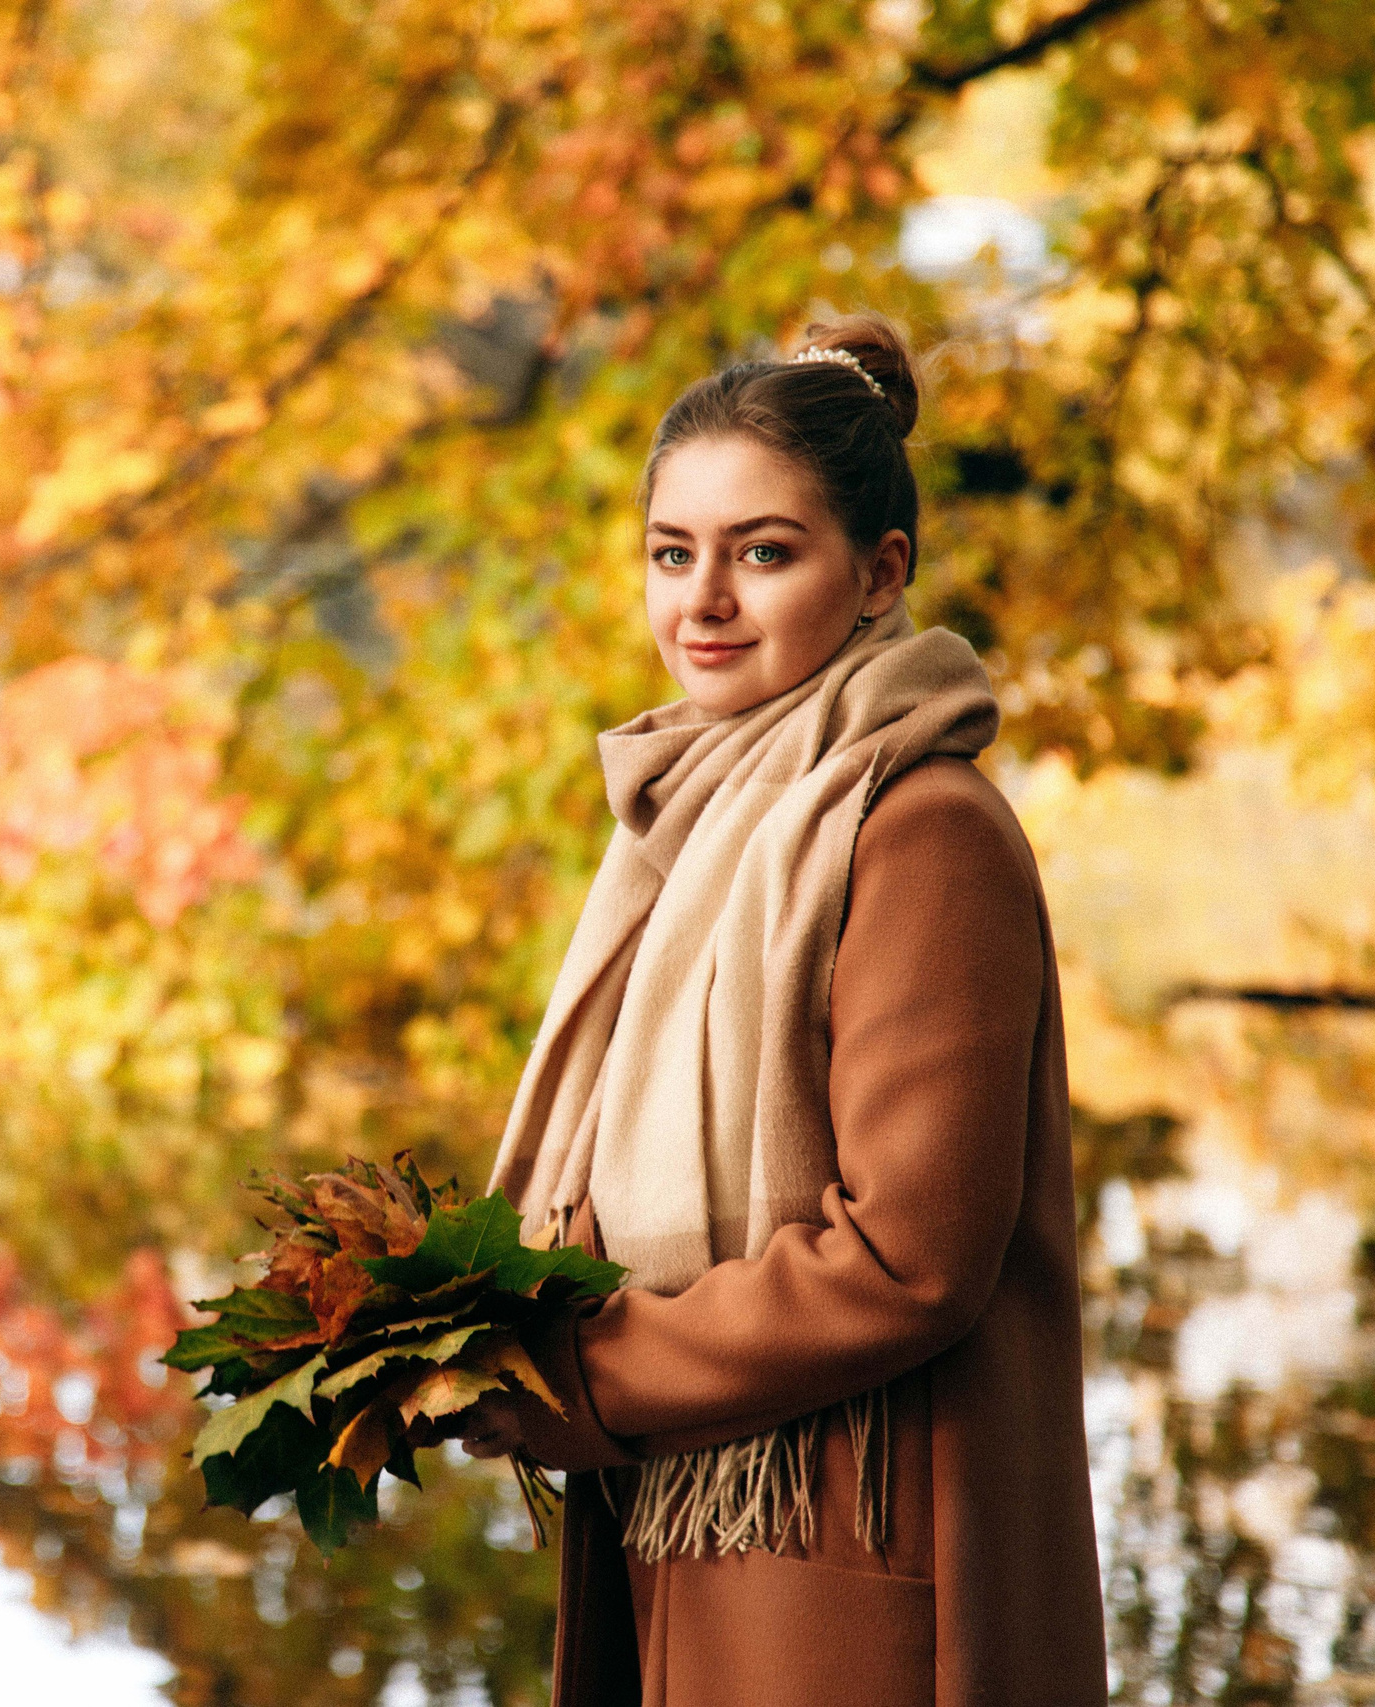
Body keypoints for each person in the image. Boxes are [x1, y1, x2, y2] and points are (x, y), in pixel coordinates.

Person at [451, 315, 1109, 1706]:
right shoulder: (693, 828)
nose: (704, 603)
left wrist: (582, 1374)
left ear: (880, 576)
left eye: (763, 552)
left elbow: (909, 1258)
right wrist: (453, 1325)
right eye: (671, 553)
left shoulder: (919, 831)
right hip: (675, 1521)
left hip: (851, 1550)